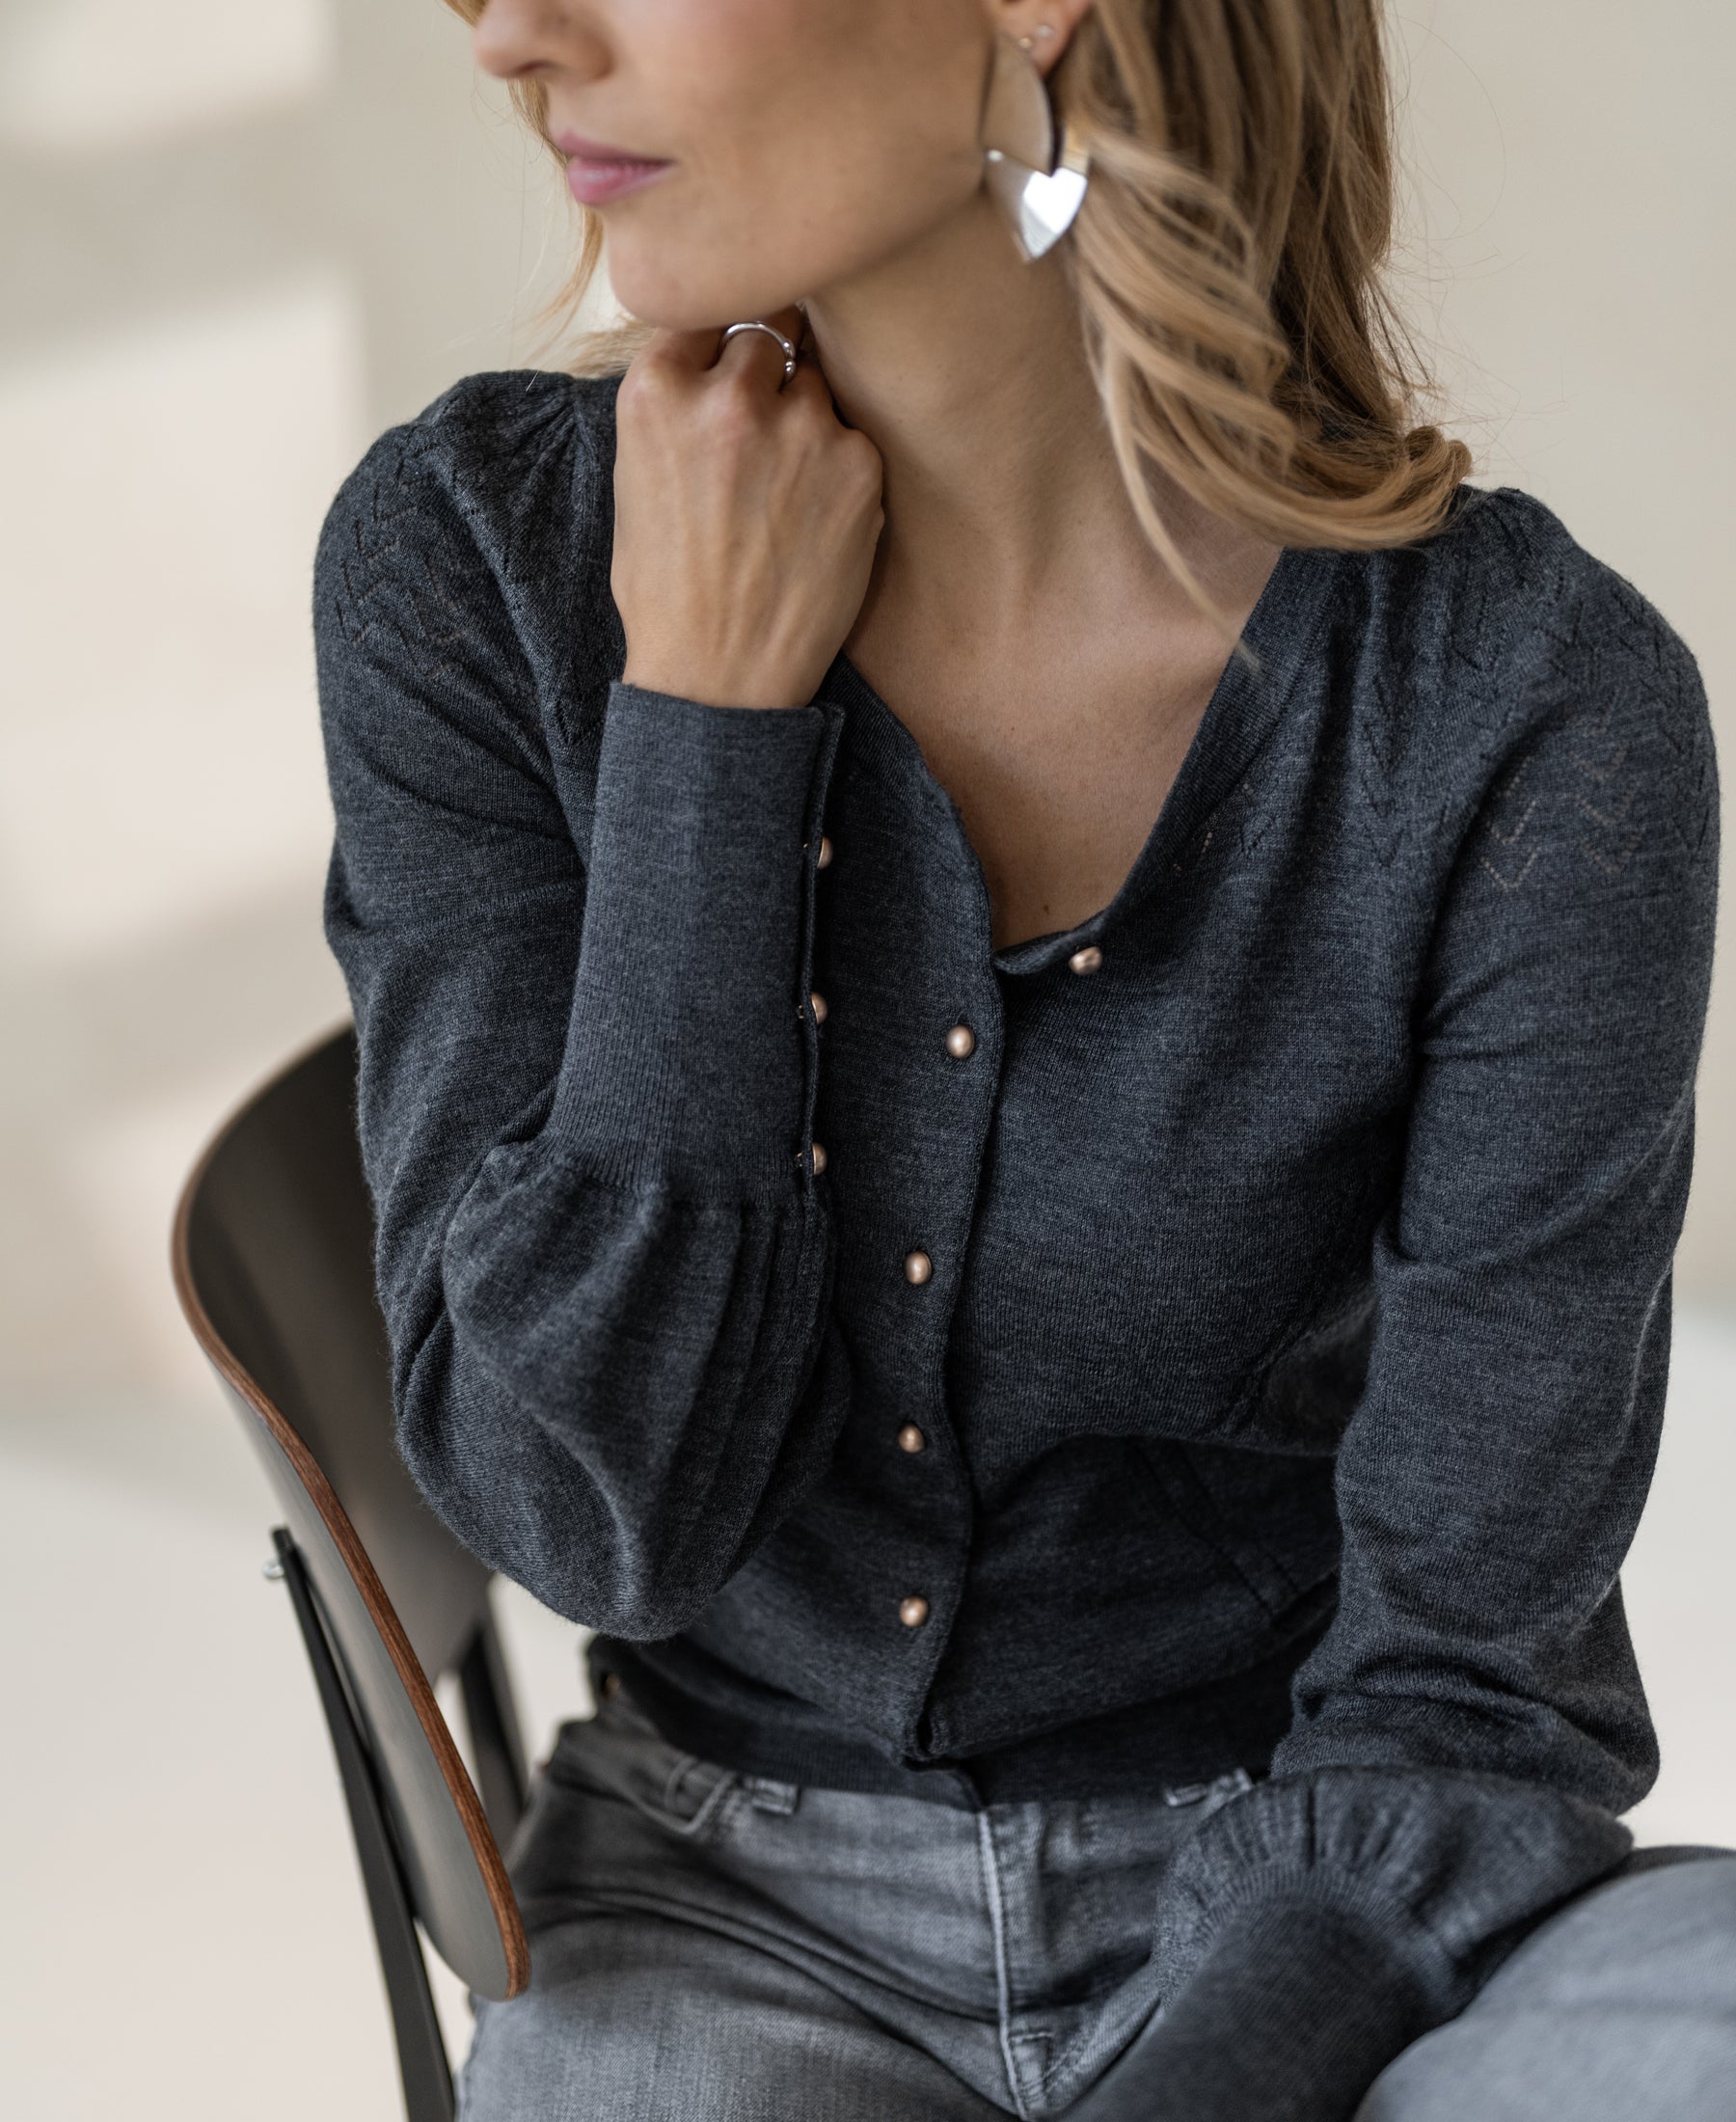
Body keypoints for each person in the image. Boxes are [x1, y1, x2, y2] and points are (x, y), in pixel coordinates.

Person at [312, 1, 1733, 2115]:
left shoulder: (1528, 716)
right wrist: (707, 727)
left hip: (1333, 1901)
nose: (513, 30)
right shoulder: (481, 571)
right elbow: (591, 1508)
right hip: (712, 1916)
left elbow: (1465, 1694)